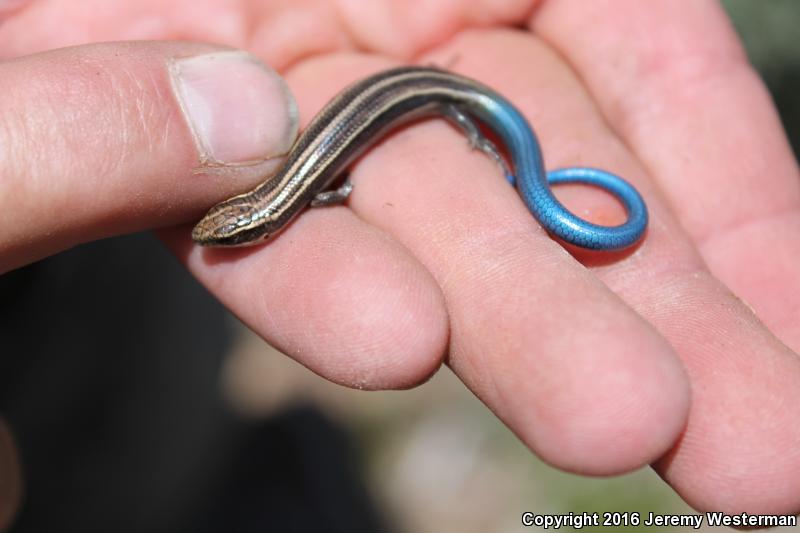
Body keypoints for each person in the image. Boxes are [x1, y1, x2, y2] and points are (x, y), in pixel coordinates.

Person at [1, 0, 798, 526]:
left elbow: (334, 181)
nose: (228, 236)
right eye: (234, 230)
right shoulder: (293, 191)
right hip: (423, 90)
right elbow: (332, 179)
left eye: (234, 230)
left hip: (449, 96)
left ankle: (522, 161)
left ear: (258, 223)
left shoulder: (293, 195)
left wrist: (483, 136)